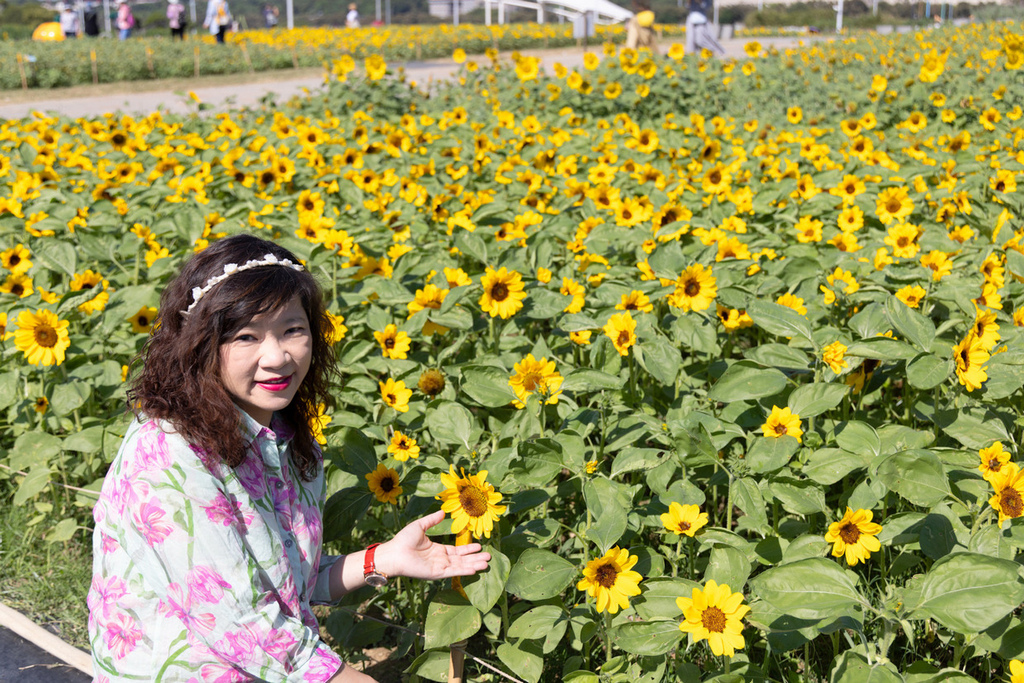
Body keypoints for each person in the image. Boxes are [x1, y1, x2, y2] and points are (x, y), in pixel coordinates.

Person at [88, 234, 491, 682]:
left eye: (293, 330)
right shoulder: (168, 451)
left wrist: (384, 559)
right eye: (246, 336)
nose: (277, 356)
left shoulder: (288, 440)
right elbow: (243, 624)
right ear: (200, 345)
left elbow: (290, 584)